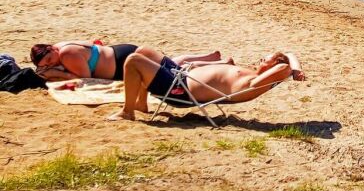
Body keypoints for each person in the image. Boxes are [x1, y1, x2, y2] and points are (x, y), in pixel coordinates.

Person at [109, 47, 304, 121]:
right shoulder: (251, 73)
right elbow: (290, 52)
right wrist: (294, 64)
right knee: (144, 51)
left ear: (275, 66)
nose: (260, 59)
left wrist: (292, 69)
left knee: (133, 60)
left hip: (179, 90)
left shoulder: (253, 82)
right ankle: (140, 104)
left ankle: (128, 111)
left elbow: (284, 67)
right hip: (180, 75)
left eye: (265, 60)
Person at [30, 41, 227, 82]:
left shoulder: (66, 54)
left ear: (51, 49)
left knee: (176, 72)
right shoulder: (62, 45)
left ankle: (219, 65)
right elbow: (93, 44)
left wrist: (57, 73)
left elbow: (85, 78)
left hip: (120, 64)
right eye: (46, 64)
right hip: (119, 51)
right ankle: (209, 58)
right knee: (171, 65)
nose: (51, 62)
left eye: (49, 59)